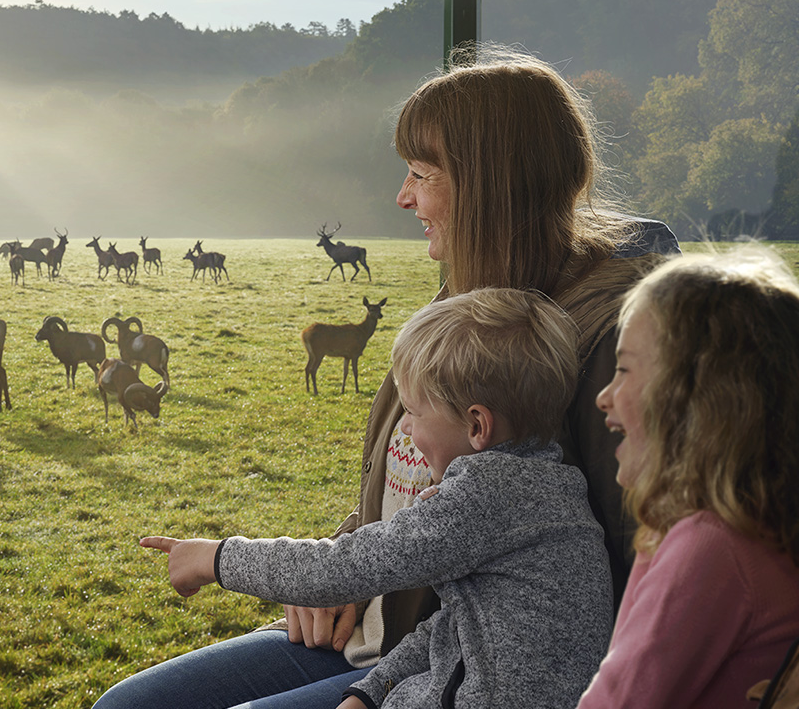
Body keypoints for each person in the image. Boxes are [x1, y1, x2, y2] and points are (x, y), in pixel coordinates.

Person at [92, 45, 678, 709]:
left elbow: (623, 571)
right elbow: (403, 488)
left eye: (422, 175)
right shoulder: (464, 299)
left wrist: (269, 568)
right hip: (373, 628)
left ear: (490, 186)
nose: (402, 198)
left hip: (449, 668)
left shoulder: (599, 343)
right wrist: (341, 570)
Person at [143, 287, 614, 709]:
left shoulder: (489, 496)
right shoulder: (544, 485)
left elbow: (338, 570)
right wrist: (371, 692)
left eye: (412, 411)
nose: (404, 427)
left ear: (476, 426)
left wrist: (214, 557)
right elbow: (455, 628)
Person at [579, 249, 799, 708]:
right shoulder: (762, 529)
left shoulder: (710, 545)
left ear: (694, 399)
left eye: (623, 370)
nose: (604, 396)